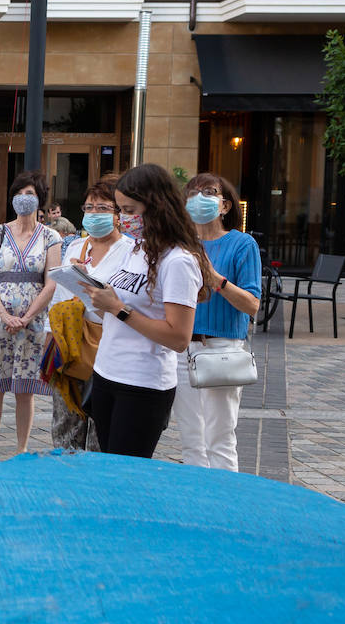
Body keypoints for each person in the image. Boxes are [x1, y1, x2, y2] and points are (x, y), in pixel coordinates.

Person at [84, 163, 211, 459]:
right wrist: (99, 296)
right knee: (109, 467)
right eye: (121, 210)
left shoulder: (178, 260)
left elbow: (179, 337)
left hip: (142, 383)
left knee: (126, 477)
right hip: (107, 372)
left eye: (129, 210)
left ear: (156, 206)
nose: (123, 219)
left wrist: (119, 309)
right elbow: (120, 306)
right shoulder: (136, 249)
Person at [0, 171, 62, 458]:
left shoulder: (51, 236)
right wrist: (4, 313)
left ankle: (22, 448)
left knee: (26, 387)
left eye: (30, 194)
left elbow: (52, 281)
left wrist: (28, 316)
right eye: (20, 193)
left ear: (40, 199)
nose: (24, 199)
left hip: (33, 320)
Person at [173, 173, 261, 471]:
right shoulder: (179, 246)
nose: (200, 198)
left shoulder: (241, 244)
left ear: (224, 206)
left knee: (219, 438)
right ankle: (199, 505)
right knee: (191, 438)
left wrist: (217, 281)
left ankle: (227, 506)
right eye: (193, 193)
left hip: (220, 348)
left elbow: (252, 304)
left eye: (209, 192)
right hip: (182, 348)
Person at [46, 178, 127, 451]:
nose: (93, 214)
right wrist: (50, 338)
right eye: (89, 207)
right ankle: (65, 482)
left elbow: (125, 301)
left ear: (118, 214)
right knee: (66, 425)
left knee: (100, 431)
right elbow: (59, 295)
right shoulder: (75, 247)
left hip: (107, 344)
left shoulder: (129, 251)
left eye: (102, 208)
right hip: (71, 342)